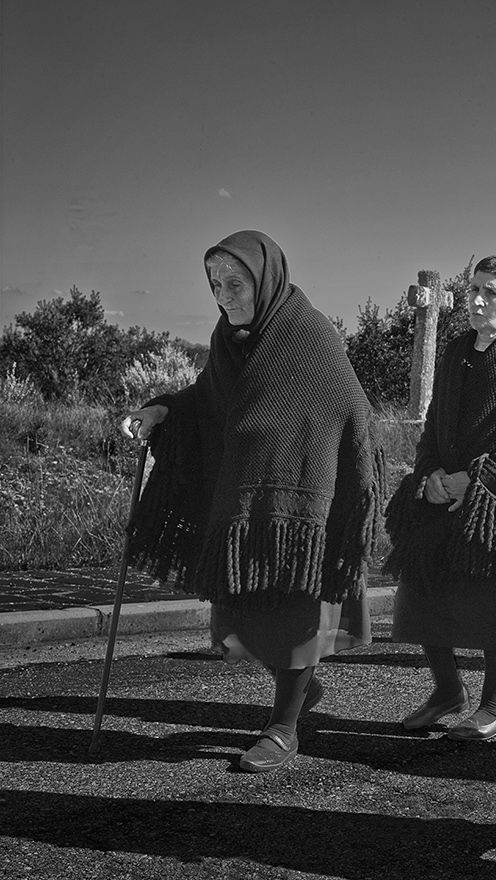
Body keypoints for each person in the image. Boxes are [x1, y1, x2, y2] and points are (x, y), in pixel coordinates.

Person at [118, 230, 382, 772]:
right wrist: (161, 411)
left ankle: (283, 729)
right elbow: (210, 397)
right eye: (215, 284)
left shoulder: (308, 333)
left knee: (290, 618)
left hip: (301, 508)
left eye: (234, 283)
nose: (224, 296)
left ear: (265, 278)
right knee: (235, 628)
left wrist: (347, 485)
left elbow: (351, 409)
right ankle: (302, 693)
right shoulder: (228, 337)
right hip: (243, 503)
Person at [383, 255, 496, 740]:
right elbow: (438, 417)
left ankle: (495, 705)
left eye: (491, 293)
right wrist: (432, 472)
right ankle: (447, 692)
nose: (476, 301)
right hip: (445, 492)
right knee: (423, 593)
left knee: (495, 603)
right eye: (473, 290)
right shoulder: (458, 346)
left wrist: (478, 479)